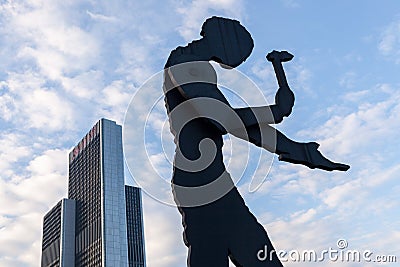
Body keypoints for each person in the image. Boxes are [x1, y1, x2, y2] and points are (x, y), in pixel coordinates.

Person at [163, 16, 349, 267]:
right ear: (226, 42)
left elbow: (240, 127)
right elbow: (221, 119)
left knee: (255, 253)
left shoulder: (197, 66)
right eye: (242, 54)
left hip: (212, 179)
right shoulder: (185, 63)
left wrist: (299, 150)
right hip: (199, 182)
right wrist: (275, 111)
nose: (239, 62)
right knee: (230, 254)